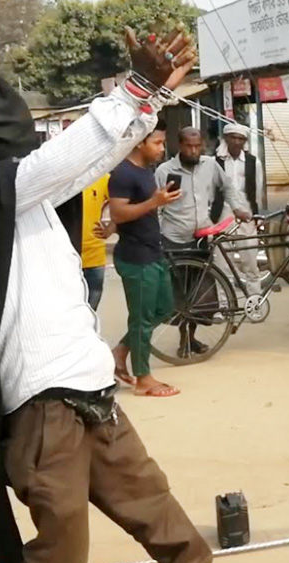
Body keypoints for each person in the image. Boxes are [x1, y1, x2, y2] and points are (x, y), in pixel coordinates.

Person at [0, 31, 267, 563]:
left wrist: (150, 99)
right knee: (63, 544)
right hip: (42, 405)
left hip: (87, 381)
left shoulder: (23, 193)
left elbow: (90, 158)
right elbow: (62, 160)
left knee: (147, 494)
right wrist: (136, 90)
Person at [103, 121, 184, 398]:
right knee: (141, 319)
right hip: (136, 258)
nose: (162, 148)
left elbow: (125, 214)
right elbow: (118, 212)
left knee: (164, 309)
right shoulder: (123, 173)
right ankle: (143, 379)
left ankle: (120, 351)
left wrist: (158, 202)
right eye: (157, 143)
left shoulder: (145, 171)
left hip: (153, 252)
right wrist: (154, 203)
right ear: (139, 142)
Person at [157, 127, 252, 357]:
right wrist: (156, 235)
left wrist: (238, 208)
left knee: (201, 295)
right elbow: (156, 205)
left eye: (197, 146)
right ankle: (184, 342)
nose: (193, 151)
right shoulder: (164, 171)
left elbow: (227, 186)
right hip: (174, 239)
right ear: (179, 146)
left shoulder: (210, 165)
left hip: (202, 238)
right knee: (181, 296)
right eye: (188, 146)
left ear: (202, 145)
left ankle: (191, 338)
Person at [213, 123, 259, 221]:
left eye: (240, 139)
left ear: (245, 141)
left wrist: (256, 214)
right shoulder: (215, 161)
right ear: (226, 138)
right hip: (222, 211)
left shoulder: (253, 162)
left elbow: (257, 190)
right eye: (233, 138)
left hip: (246, 209)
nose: (237, 142)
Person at [81, 175, 110, 310]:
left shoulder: (102, 177)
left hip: (94, 254)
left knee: (92, 303)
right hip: (65, 254)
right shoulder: (64, 176)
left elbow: (121, 201)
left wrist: (111, 228)